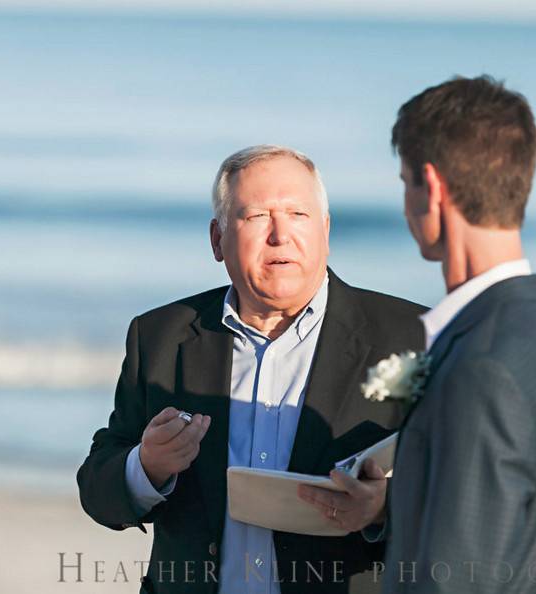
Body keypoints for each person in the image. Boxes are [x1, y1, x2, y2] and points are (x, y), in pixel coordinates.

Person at [77, 145, 428, 594]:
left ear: (325, 230)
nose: (280, 235)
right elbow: (97, 490)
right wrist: (147, 466)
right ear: (217, 240)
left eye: (298, 214)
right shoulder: (160, 337)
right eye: (256, 216)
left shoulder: (412, 337)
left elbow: (464, 498)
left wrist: (382, 508)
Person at [379, 76, 536, 593]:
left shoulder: (482, 367)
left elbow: (456, 579)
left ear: (433, 188)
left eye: (405, 182)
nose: (404, 205)